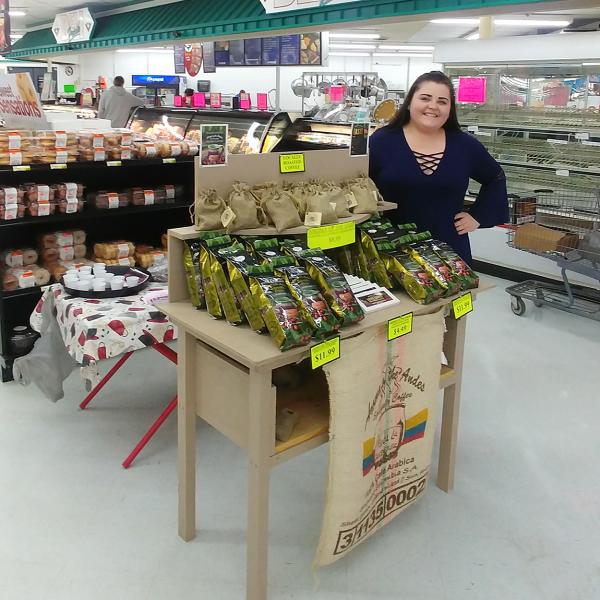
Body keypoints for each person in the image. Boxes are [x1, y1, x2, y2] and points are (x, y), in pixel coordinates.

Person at [369, 71, 508, 264]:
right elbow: (356, 183)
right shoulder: (382, 141)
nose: (433, 106)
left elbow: (495, 177)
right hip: (392, 249)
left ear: (450, 109)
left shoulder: (465, 145)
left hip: (449, 250)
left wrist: (478, 216)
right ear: (409, 102)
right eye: (425, 98)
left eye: (442, 101)